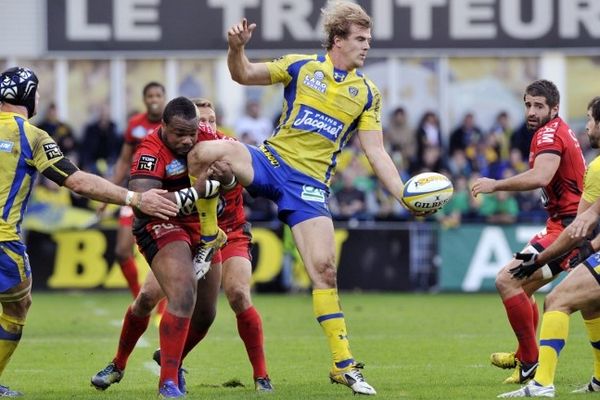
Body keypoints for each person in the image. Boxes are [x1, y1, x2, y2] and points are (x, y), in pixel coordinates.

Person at [186, 2, 423, 394]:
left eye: (369, 40)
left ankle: (342, 364)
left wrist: (402, 194)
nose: (367, 47)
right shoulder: (301, 66)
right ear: (337, 41)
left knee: (324, 270)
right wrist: (236, 49)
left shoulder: (367, 93)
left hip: (309, 187)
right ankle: (208, 233)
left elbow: (376, 151)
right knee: (206, 152)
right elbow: (243, 74)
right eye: (360, 40)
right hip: (270, 160)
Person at [0, 66, 178, 397]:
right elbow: (78, 181)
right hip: (3, 241)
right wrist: (133, 197)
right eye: (37, 92)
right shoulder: (31, 135)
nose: (39, 98)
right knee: (16, 306)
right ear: (27, 95)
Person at [91, 98, 273, 395]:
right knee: (170, 293)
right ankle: (158, 378)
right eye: (180, 134)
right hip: (160, 225)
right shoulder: (150, 151)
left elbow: (235, 184)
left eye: (194, 132)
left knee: (206, 314)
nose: (188, 140)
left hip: (205, 231)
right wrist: (196, 191)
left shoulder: (210, 140)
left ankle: (170, 364)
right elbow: (144, 205)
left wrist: (226, 178)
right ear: (162, 126)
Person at [471, 79, 586, 384]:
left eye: (539, 106)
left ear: (554, 108)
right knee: (521, 288)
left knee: (506, 280)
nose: (532, 111)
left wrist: (495, 185)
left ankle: (530, 360)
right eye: (528, 104)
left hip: (568, 228)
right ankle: (525, 355)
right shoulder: (555, 130)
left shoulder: (549, 133)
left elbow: (542, 175)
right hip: (563, 225)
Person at [497, 96, 600, 398]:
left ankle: (540, 380)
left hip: (563, 227)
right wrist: (592, 245)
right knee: (592, 305)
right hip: (576, 232)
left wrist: (540, 259)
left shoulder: (592, 167)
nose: (588, 127)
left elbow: (580, 224)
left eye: (591, 120)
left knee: (557, 300)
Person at [107, 82, 166, 298]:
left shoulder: (171, 124)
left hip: (162, 195)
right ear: (144, 99)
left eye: (158, 95)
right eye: (150, 95)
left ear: (164, 97)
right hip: (135, 194)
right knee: (122, 251)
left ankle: (161, 308)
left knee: (163, 253)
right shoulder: (135, 125)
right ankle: (138, 298)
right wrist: (109, 192)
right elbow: (124, 161)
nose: (154, 99)